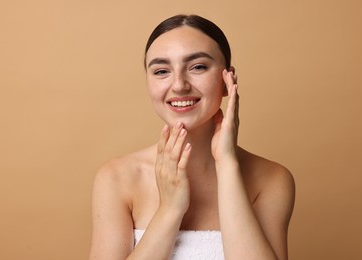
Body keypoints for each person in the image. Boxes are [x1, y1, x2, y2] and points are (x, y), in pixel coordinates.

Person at [89, 14, 295, 260]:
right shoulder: (116, 178)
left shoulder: (271, 180)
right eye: (161, 71)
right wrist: (169, 210)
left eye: (198, 67)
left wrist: (227, 165)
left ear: (227, 80)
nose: (179, 85)